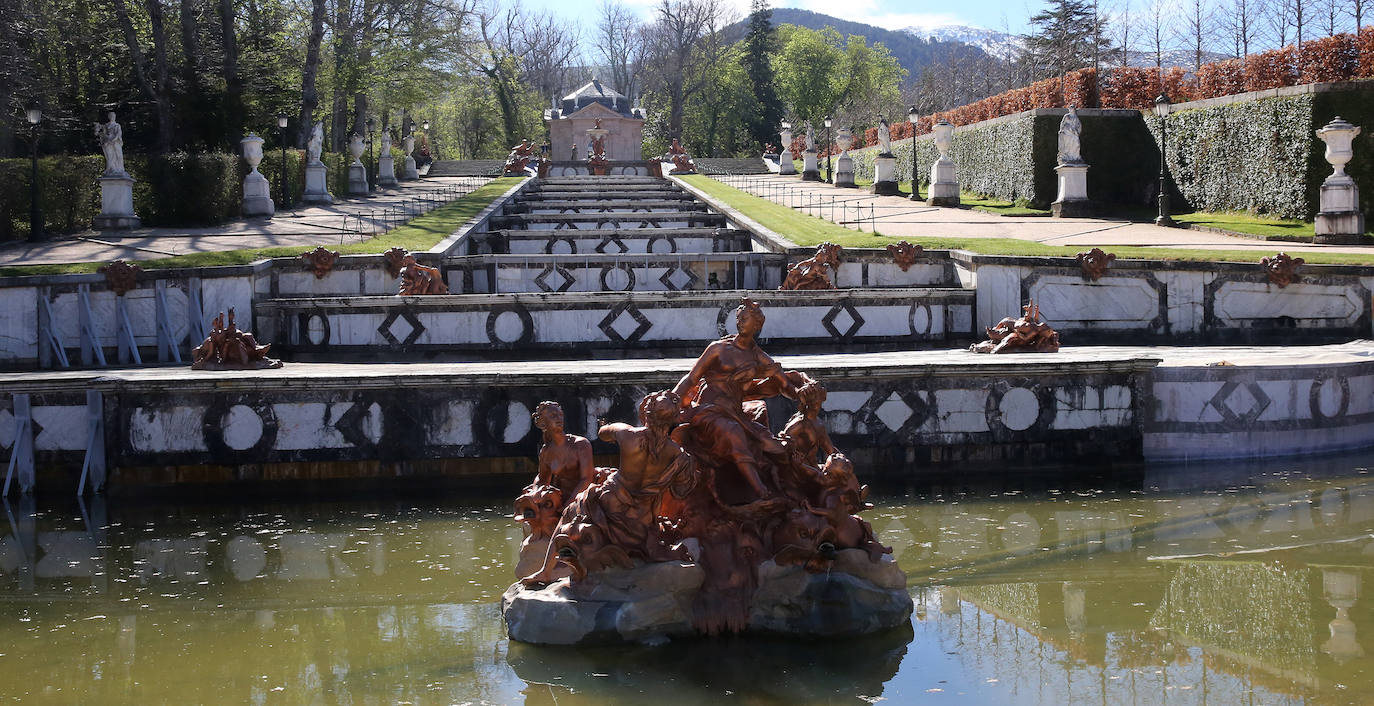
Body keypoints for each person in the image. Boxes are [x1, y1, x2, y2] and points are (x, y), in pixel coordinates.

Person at [670, 298, 802, 501]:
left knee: (773, 445)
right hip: (708, 410)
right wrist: (672, 401)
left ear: (757, 325)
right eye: (738, 319)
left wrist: (802, 393)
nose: (740, 322)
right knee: (732, 432)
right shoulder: (717, 349)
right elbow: (690, 379)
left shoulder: (759, 357)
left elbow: (785, 385)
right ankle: (760, 491)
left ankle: (788, 488)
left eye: (745, 319)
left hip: (735, 413)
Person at [528, 401, 595, 504]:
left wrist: (568, 505)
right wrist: (536, 492)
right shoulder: (546, 452)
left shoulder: (580, 444)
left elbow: (586, 480)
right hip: (560, 499)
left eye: (560, 415)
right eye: (553, 416)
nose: (559, 419)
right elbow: (543, 479)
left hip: (583, 499)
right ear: (542, 423)